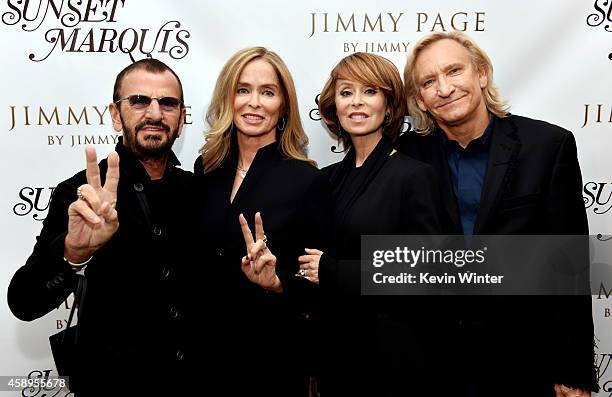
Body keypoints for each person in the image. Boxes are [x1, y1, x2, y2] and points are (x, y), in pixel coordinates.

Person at [399, 31, 598, 396]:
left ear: (481, 74)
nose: (444, 88)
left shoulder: (547, 147)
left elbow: (571, 267)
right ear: (420, 101)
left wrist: (574, 371)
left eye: (454, 71)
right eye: (429, 82)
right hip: (431, 364)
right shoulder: (404, 157)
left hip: (522, 362)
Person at [8, 59, 192, 395]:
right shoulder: (81, 194)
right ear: (115, 114)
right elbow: (24, 302)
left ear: (181, 118)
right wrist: (74, 251)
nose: (154, 113)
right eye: (138, 101)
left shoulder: (201, 191)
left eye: (168, 103)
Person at [298, 52, 441, 396]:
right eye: (346, 92)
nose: (357, 102)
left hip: (391, 363)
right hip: (336, 359)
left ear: (390, 106)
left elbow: (424, 273)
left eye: (370, 91)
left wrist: (333, 271)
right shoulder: (326, 179)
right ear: (334, 105)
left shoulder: (413, 176)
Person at [191, 46, 329, 396]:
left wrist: (276, 282)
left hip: (271, 360)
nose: (254, 102)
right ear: (228, 97)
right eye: (243, 89)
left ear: (283, 106)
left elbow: (318, 286)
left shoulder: (307, 180)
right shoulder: (206, 171)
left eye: (267, 92)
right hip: (201, 357)